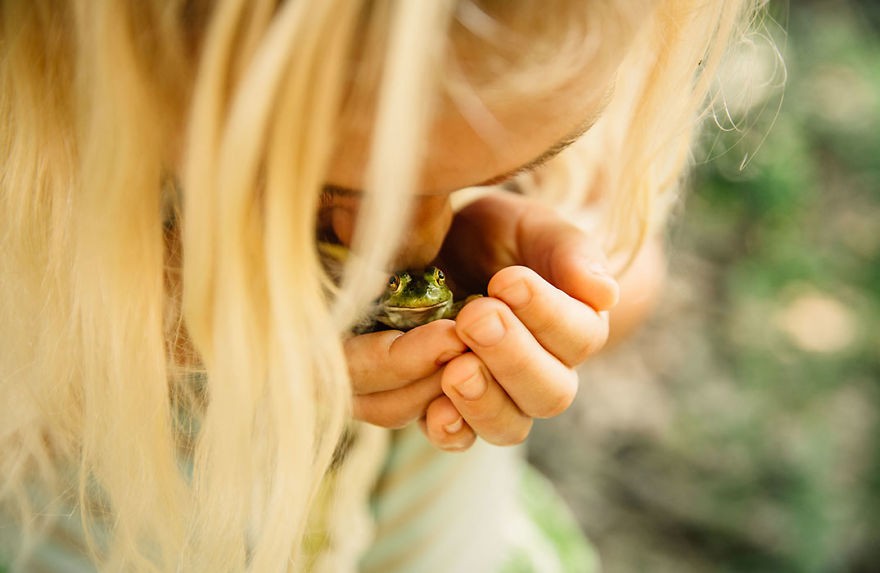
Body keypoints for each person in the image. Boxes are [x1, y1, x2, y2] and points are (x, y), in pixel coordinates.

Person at [0, 0, 764, 571]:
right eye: (321, 186)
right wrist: (149, 315)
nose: (414, 246)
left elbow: (630, 275)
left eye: (503, 172)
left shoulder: (555, 43)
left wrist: (557, 300)